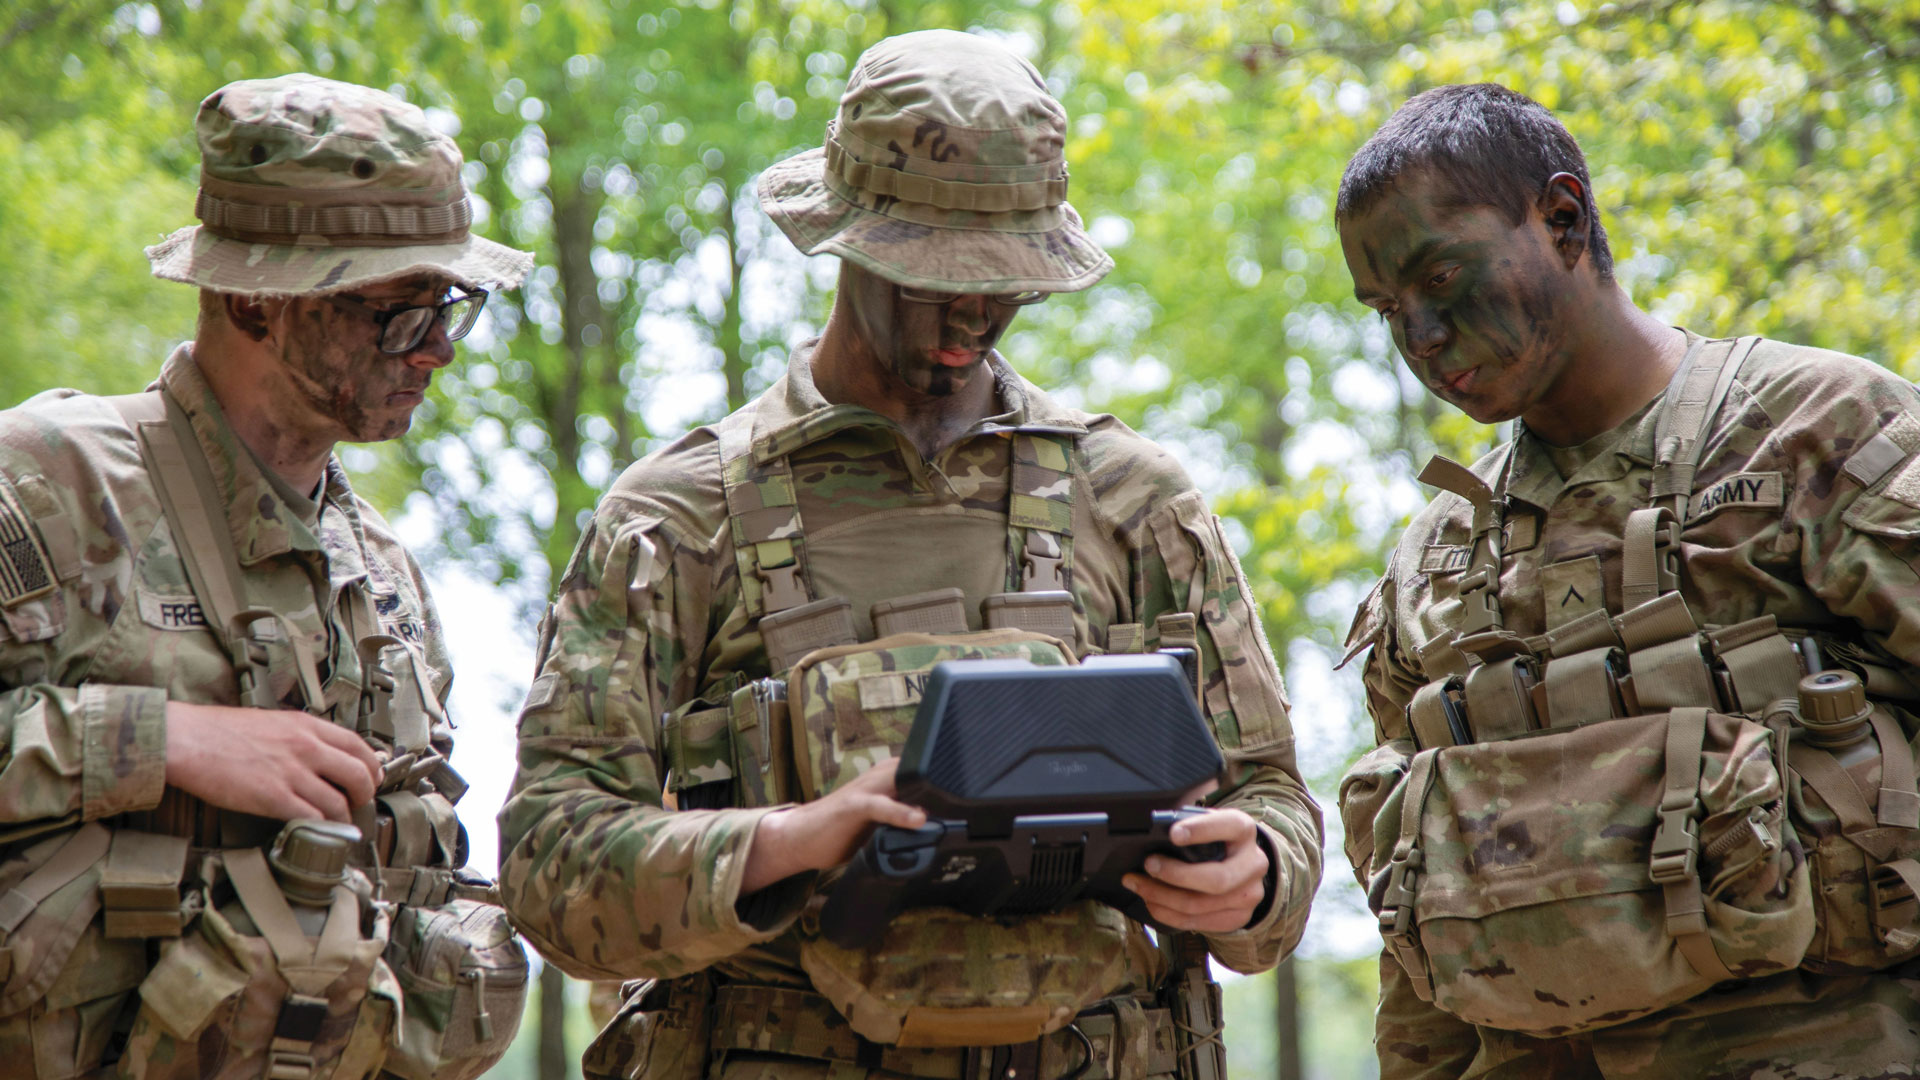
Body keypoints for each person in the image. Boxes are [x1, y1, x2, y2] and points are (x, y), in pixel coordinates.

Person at [499, 29, 1322, 1080]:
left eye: (1005, 288)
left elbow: (1274, 804)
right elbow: (548, 867)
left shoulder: (1137, 501)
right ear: (848, 243)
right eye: (935, 284)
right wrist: (795, 842)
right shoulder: (676, 519)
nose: (971, 323)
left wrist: (1252, 877)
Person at [1335, 82, 1920, 1079]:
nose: (1421, 339)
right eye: (1389, 309)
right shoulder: (1438, 559)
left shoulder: (1819, 436)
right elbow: (1414, 929)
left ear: (1562, 219)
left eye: (1444, 277)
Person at [0, 74, 533, 1079]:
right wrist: (160, 739)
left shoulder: (385, 579)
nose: (437, 356)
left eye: (447, 308)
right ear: (255, 296)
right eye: (398, 313)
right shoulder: (44, 485)